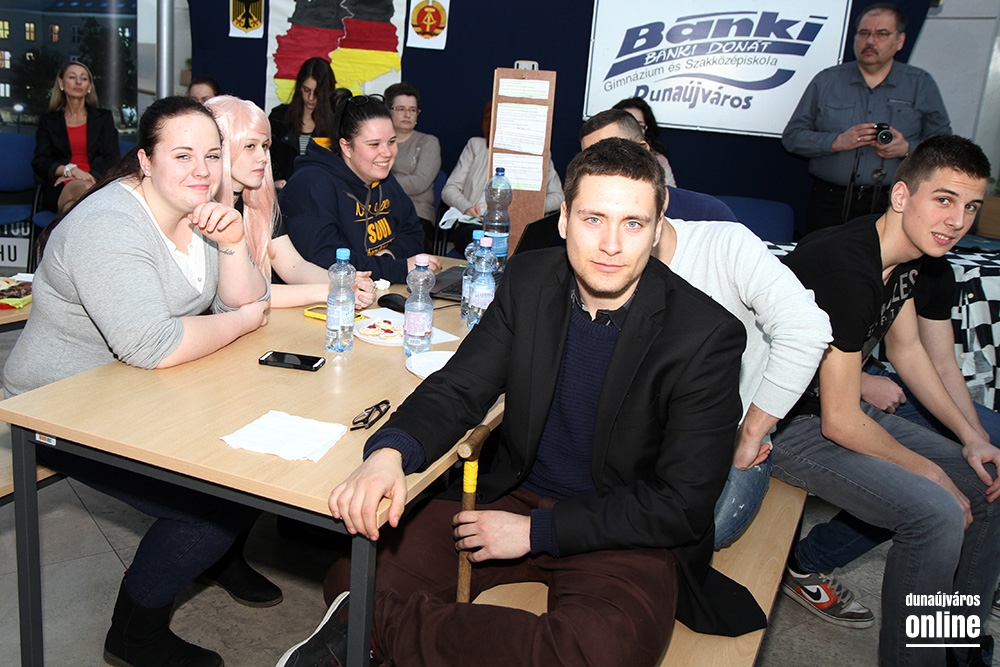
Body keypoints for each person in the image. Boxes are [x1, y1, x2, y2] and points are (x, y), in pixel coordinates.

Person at [277, 138, 765, 667]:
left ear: (656, 228)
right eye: (593, 219)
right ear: (564, 220)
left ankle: (370, 633)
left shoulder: (705, 334)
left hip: (623, 526)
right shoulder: (529, 281)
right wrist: (389, 453)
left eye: (632, 223)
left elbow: (681, 503)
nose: (610, 245)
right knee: (354, 574)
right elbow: (459, 387)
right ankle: (372, 626)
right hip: (514, 495)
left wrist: (537, 533)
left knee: (597, 654)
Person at [3, 96, 273, 667]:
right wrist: (245, 321)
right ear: (146, 161)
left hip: (137, 388)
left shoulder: (199, 209)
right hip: (58, 403)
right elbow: (156, 344)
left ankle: (216, 558)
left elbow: (245, 298)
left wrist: (231, 244)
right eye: (183, 155)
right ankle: (134, 634)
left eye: (212, 156)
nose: (202, 170)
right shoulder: (108, 224)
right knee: (208, 508)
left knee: (256, 451)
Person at [770, 134, 1000, 667]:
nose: (957, 221)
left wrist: (972, 439)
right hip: (780, 424)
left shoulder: (907, 255)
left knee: (988, 483)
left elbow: (909, 350)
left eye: (970, 207)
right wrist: (934, 475)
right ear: (902, 196)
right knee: (937, 514)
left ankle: (958, 644)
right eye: (943, 200)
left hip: (830, 409)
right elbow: (840, 422)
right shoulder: (847, 267)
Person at [579, 109, 833, 549]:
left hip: (720, 438)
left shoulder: (724, 243)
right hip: (636, 438)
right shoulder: (594, 260)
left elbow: (807, 329)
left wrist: (751, 431)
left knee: (693, 536)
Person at [782, 3, 951, 233]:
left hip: (893, 204)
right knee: (823, 255)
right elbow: (792, 137)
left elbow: (944, 146)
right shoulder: (827, 81)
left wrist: (907, 149)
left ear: (899, 41)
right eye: (864, 33)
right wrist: (836, 142)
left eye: (881, 34)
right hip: (830, 202)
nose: (870, 41)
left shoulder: (920, 84)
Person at [205, 94, 374, 308]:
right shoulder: (202, 211)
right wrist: (329, 290)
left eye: (264, 146)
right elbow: (243, 295)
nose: (262, 157)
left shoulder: (261, 204)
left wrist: (342, 281)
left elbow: (293, 266)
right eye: (250, 146)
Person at [279, 93, 435, 284]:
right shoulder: (311, 184)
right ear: (346, 147)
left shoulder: (382, 177)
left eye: (391, 142)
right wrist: (397, 269)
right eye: (374, 144)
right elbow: (327, 262)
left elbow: (415, 235)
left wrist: (389, 254)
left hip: (375, 289)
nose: (387, 153)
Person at [443, 102, 565, 252]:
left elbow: (558, 196)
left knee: (527, 245)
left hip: (521, 225)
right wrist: (466, 207)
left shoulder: (538, 154)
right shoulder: (476, 146)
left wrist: (532, 207)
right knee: (482, 241)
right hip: (477, 224)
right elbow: (449, 189)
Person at [580, 110, 737, 222]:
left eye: (610, 154)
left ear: (642, 150)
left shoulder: (709, 214)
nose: (600, 168)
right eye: (590, 159)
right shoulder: (585, 218)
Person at [32, 61, 120, 215]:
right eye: (72, 77)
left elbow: (112, 158)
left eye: (84, 78)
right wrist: (70, 170)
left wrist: (90, 177)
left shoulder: (103, 118)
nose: (78, 82)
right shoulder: (48, 121)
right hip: (60, 183)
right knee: (85, 199)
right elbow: (40, 161)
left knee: (71, 207)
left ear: (89, 86)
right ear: (61, 83)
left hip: (95, 180)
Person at [383, 82, 441, 254]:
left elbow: (419, 183)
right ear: (388, 111)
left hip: (417, 212)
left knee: (405, 244)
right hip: (380, 210)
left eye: (413, 110)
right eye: (401, 109)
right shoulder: (378, 142)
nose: (407, 114)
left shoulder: (428, 142)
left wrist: (380, 185)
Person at [269, 57, 336, 188]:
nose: (311, 97)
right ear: (299, 87)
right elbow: (265, 160)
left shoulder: (335, 124)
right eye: (306, 90)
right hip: (283, 195)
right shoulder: (279, 118)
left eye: (316, 92)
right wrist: (273, 183)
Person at [613, 96, 677, 187]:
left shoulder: (659, 161)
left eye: (639, 125)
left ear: (646, 130)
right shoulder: (600, 155)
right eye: (627, 124)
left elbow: (669, 192)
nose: (633, 130)